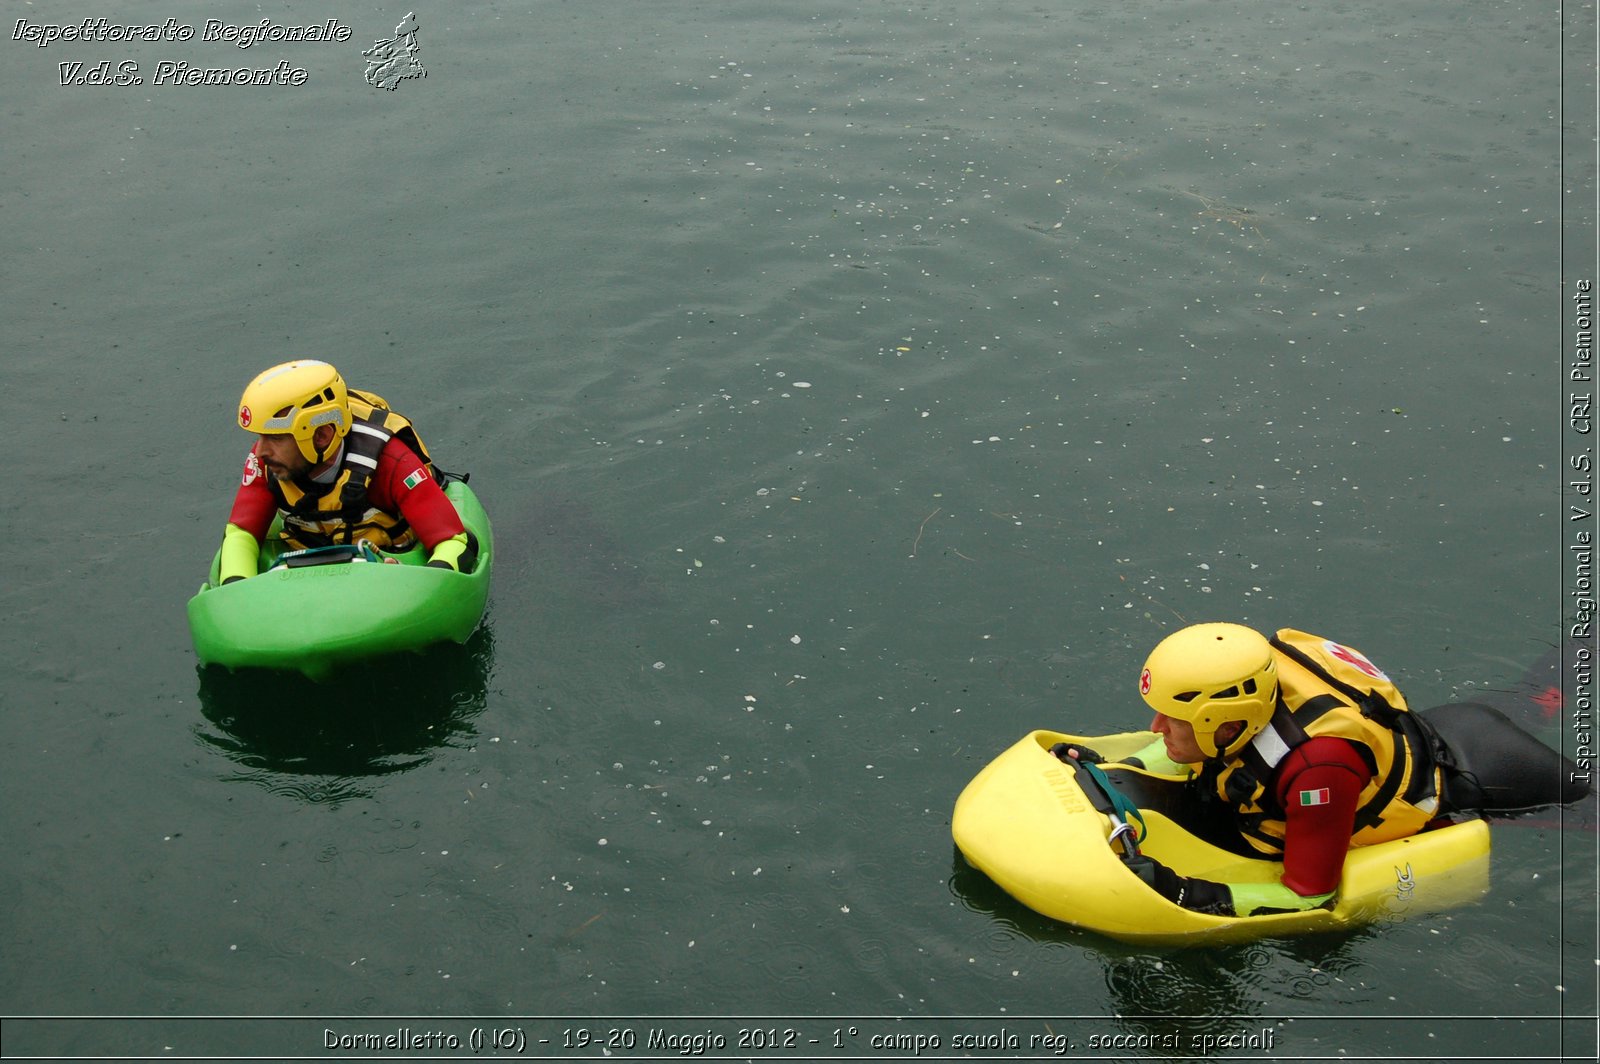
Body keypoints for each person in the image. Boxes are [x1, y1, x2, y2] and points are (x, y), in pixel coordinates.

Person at [1066, 622, 1450, 918]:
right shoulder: (1247, 691)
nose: (1155, 727)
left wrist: (1184, 893)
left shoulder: (1319, 770)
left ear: (1229, 726)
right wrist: (1116, 767)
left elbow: (1311, 896)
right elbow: (1192, 748)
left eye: (1174, 719)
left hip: (1452, 801)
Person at [217, 359, 471, 584]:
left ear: (321, 435)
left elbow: (454, 542)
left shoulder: (392, 462)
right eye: (261, 437)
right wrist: (236, 586)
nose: (260, 451)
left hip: (389, 564)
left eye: (276, 438)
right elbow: (241, 533)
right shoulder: (268, 462)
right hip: (305, 563)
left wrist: (427, 579)